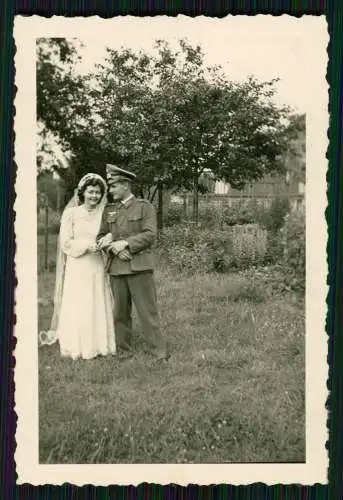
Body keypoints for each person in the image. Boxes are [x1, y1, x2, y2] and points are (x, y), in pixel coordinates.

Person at [39, 173, 116, 360]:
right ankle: (79, 345)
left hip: (97, 262)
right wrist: (85, 246)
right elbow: (65, 243)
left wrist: (108, 239)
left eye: (98, 192)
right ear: (82, 193)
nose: (94, 196)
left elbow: (112, 233)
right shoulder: (71, 213)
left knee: (97, 299)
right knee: (80, 302)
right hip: (79, 263)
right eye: (90, 192)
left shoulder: (104, 213)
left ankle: (100, 344)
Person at [97, 164, 169, 362]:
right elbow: (101, 236)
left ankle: (158, 354)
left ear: (125, 185)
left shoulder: (145, 207)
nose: (110, 191)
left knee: (147, 312)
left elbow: (150, 235)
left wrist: (125, 244)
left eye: (113, 186)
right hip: (117, 269)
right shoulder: (109, 210)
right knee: (120, 314)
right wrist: (112, 246)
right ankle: (123, 352)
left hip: (140, 267)